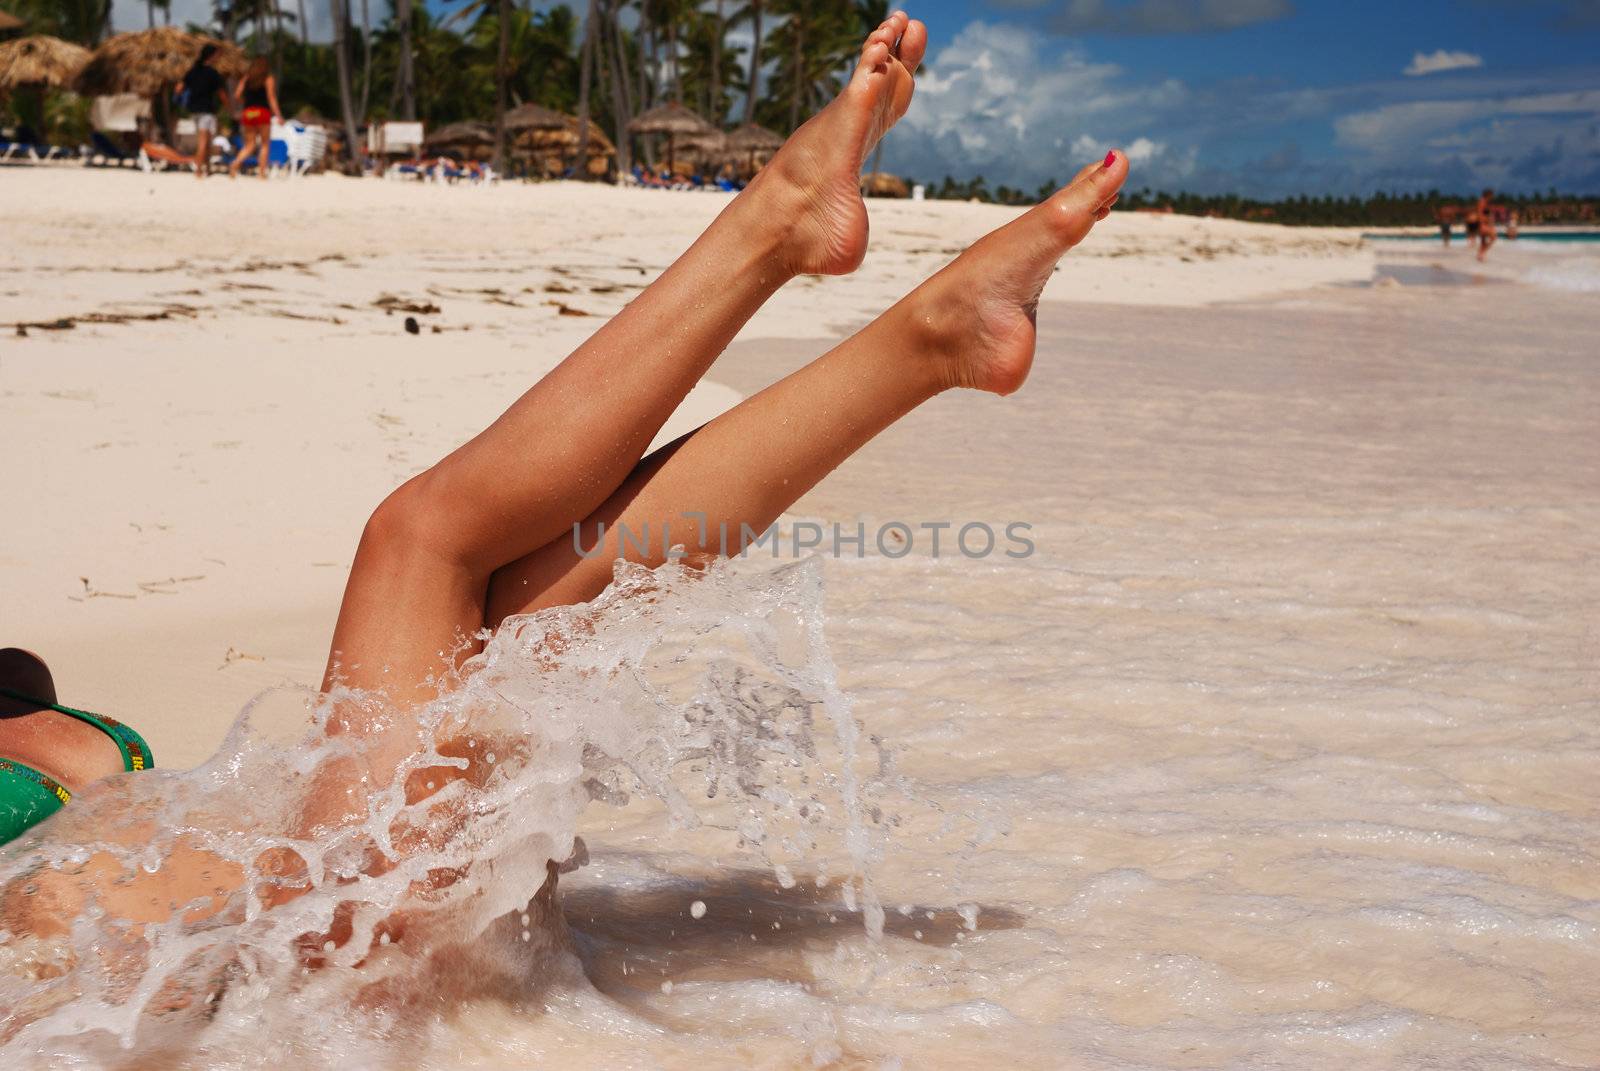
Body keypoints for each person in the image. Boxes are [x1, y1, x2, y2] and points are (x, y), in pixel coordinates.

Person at [1, 11, 1127, 954]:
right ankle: (821, 264)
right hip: (308, 935)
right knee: (421, 541)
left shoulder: (56, 741)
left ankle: (915, 334)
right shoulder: (71, 741)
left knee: (524, 620)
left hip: (328, 930)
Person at [178, 44, 230, 179]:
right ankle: (199, 171)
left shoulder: (193, 71)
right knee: (203, 142)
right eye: (217, 55)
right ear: (211, 56)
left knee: (206, 141)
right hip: (206, 110)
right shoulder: (213, 73)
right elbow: (222, 94)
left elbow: (178, 88)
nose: (218, 58)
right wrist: (228, 108)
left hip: (194, 110)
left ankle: (207, 168)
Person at [229, 57, 282, 180]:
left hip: (249, 112)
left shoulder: (246, 78)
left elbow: (237, 95)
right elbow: (271, 98)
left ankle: (235, 163)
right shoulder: (268, 78)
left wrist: (246, 103)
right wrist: (278, 115)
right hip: (262, 112)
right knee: (264, 144)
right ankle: (262, 173)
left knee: (249, 145)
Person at [1476, 188, 1496, 262]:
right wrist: (1482, 224)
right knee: (1493, 237)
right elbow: (1479, 213)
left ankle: (1480, 255)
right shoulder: (1482, 202)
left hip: (1486, 224)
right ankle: (1482, 253)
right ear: (1488, 195)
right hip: (1483, 224)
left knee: (1483, 241)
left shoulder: (1487, 202)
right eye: (1492, 195)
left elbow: (1488, 214)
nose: (1493, 197)